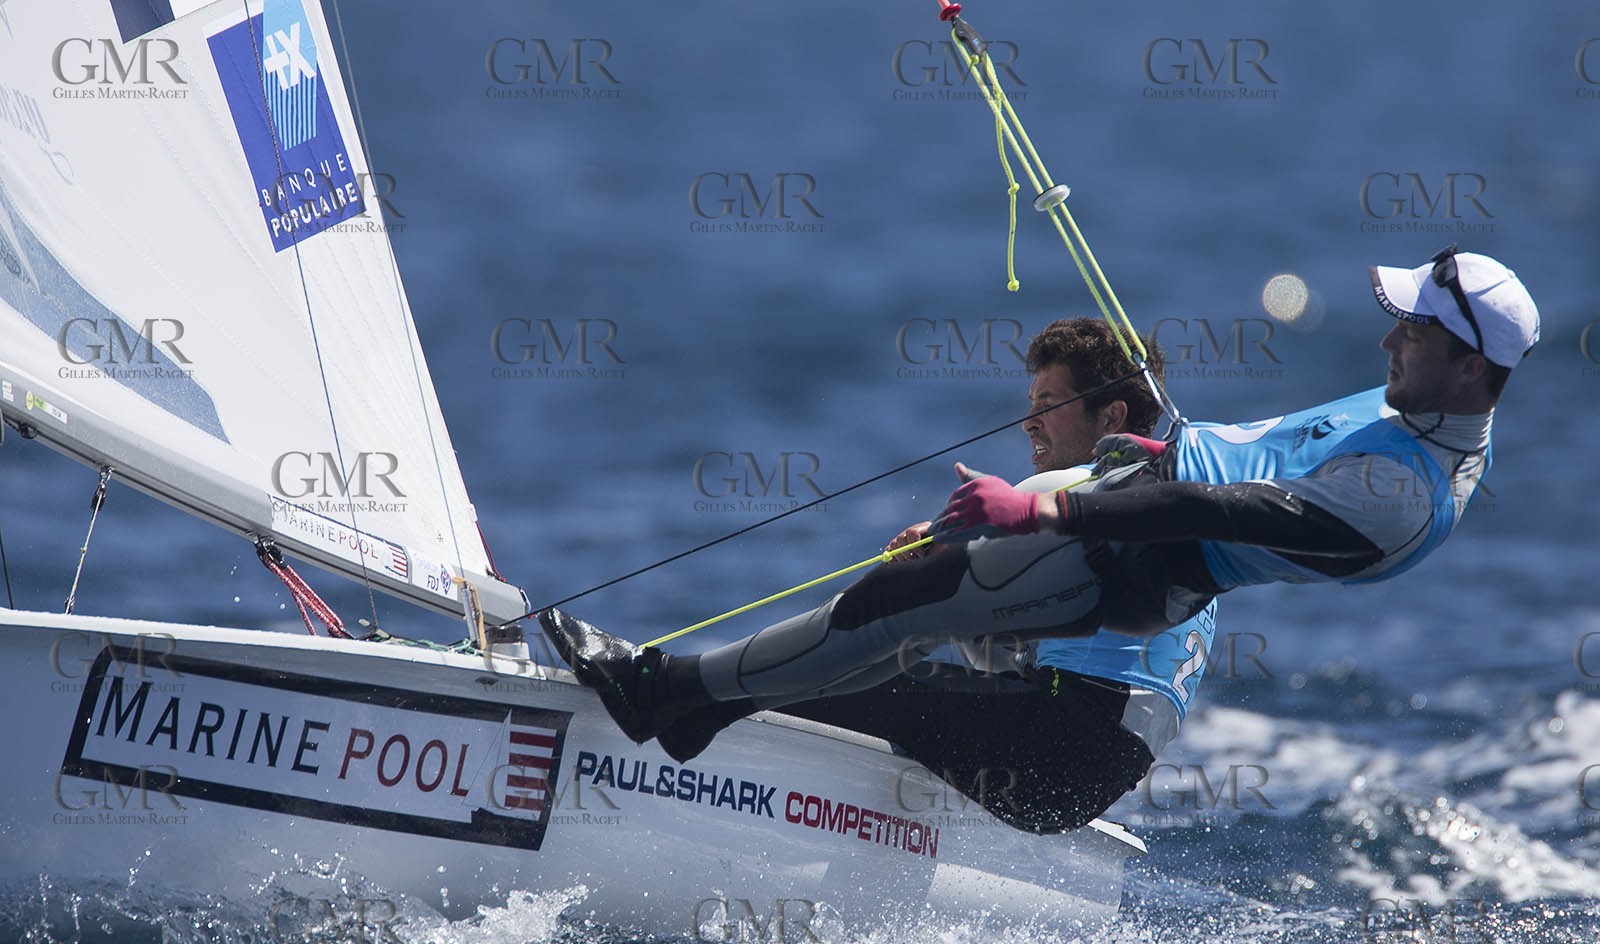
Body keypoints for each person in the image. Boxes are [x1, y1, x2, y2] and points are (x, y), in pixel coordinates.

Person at [544, 246, 1538, 783]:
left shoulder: (1402, 500)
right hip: (1137, 527)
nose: (1387, 337)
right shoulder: (1417, 398)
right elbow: (1244, 447)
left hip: (1148, 570)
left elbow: (1228, 503)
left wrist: (1040, 511)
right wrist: (1140, 449)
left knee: (916, 590)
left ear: (1471, 366)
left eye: (1413, 330)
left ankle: (667, 696)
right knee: (920, 600)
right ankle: (691, 699)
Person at [643, 318, 1218, 834]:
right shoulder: (1170, 515)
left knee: (858, 667)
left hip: (1056, 738)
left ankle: (686, 705)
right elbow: (1005, 655)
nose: (1028, 422)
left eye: (1048, 402)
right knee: (906, 658)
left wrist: (943, 555)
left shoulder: (1070, 495)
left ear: (1111, 415)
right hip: (1088, 776)